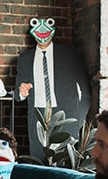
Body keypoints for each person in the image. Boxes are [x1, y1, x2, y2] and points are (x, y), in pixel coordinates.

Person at [15, 17, 91, 162]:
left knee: (66, 161)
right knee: (39, 160)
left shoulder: (68, 54)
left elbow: (85, 89)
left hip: (66, 115)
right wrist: (22, 92)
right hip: (37, 116)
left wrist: (80, 118)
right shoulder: (25, 58)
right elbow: (18, 95)